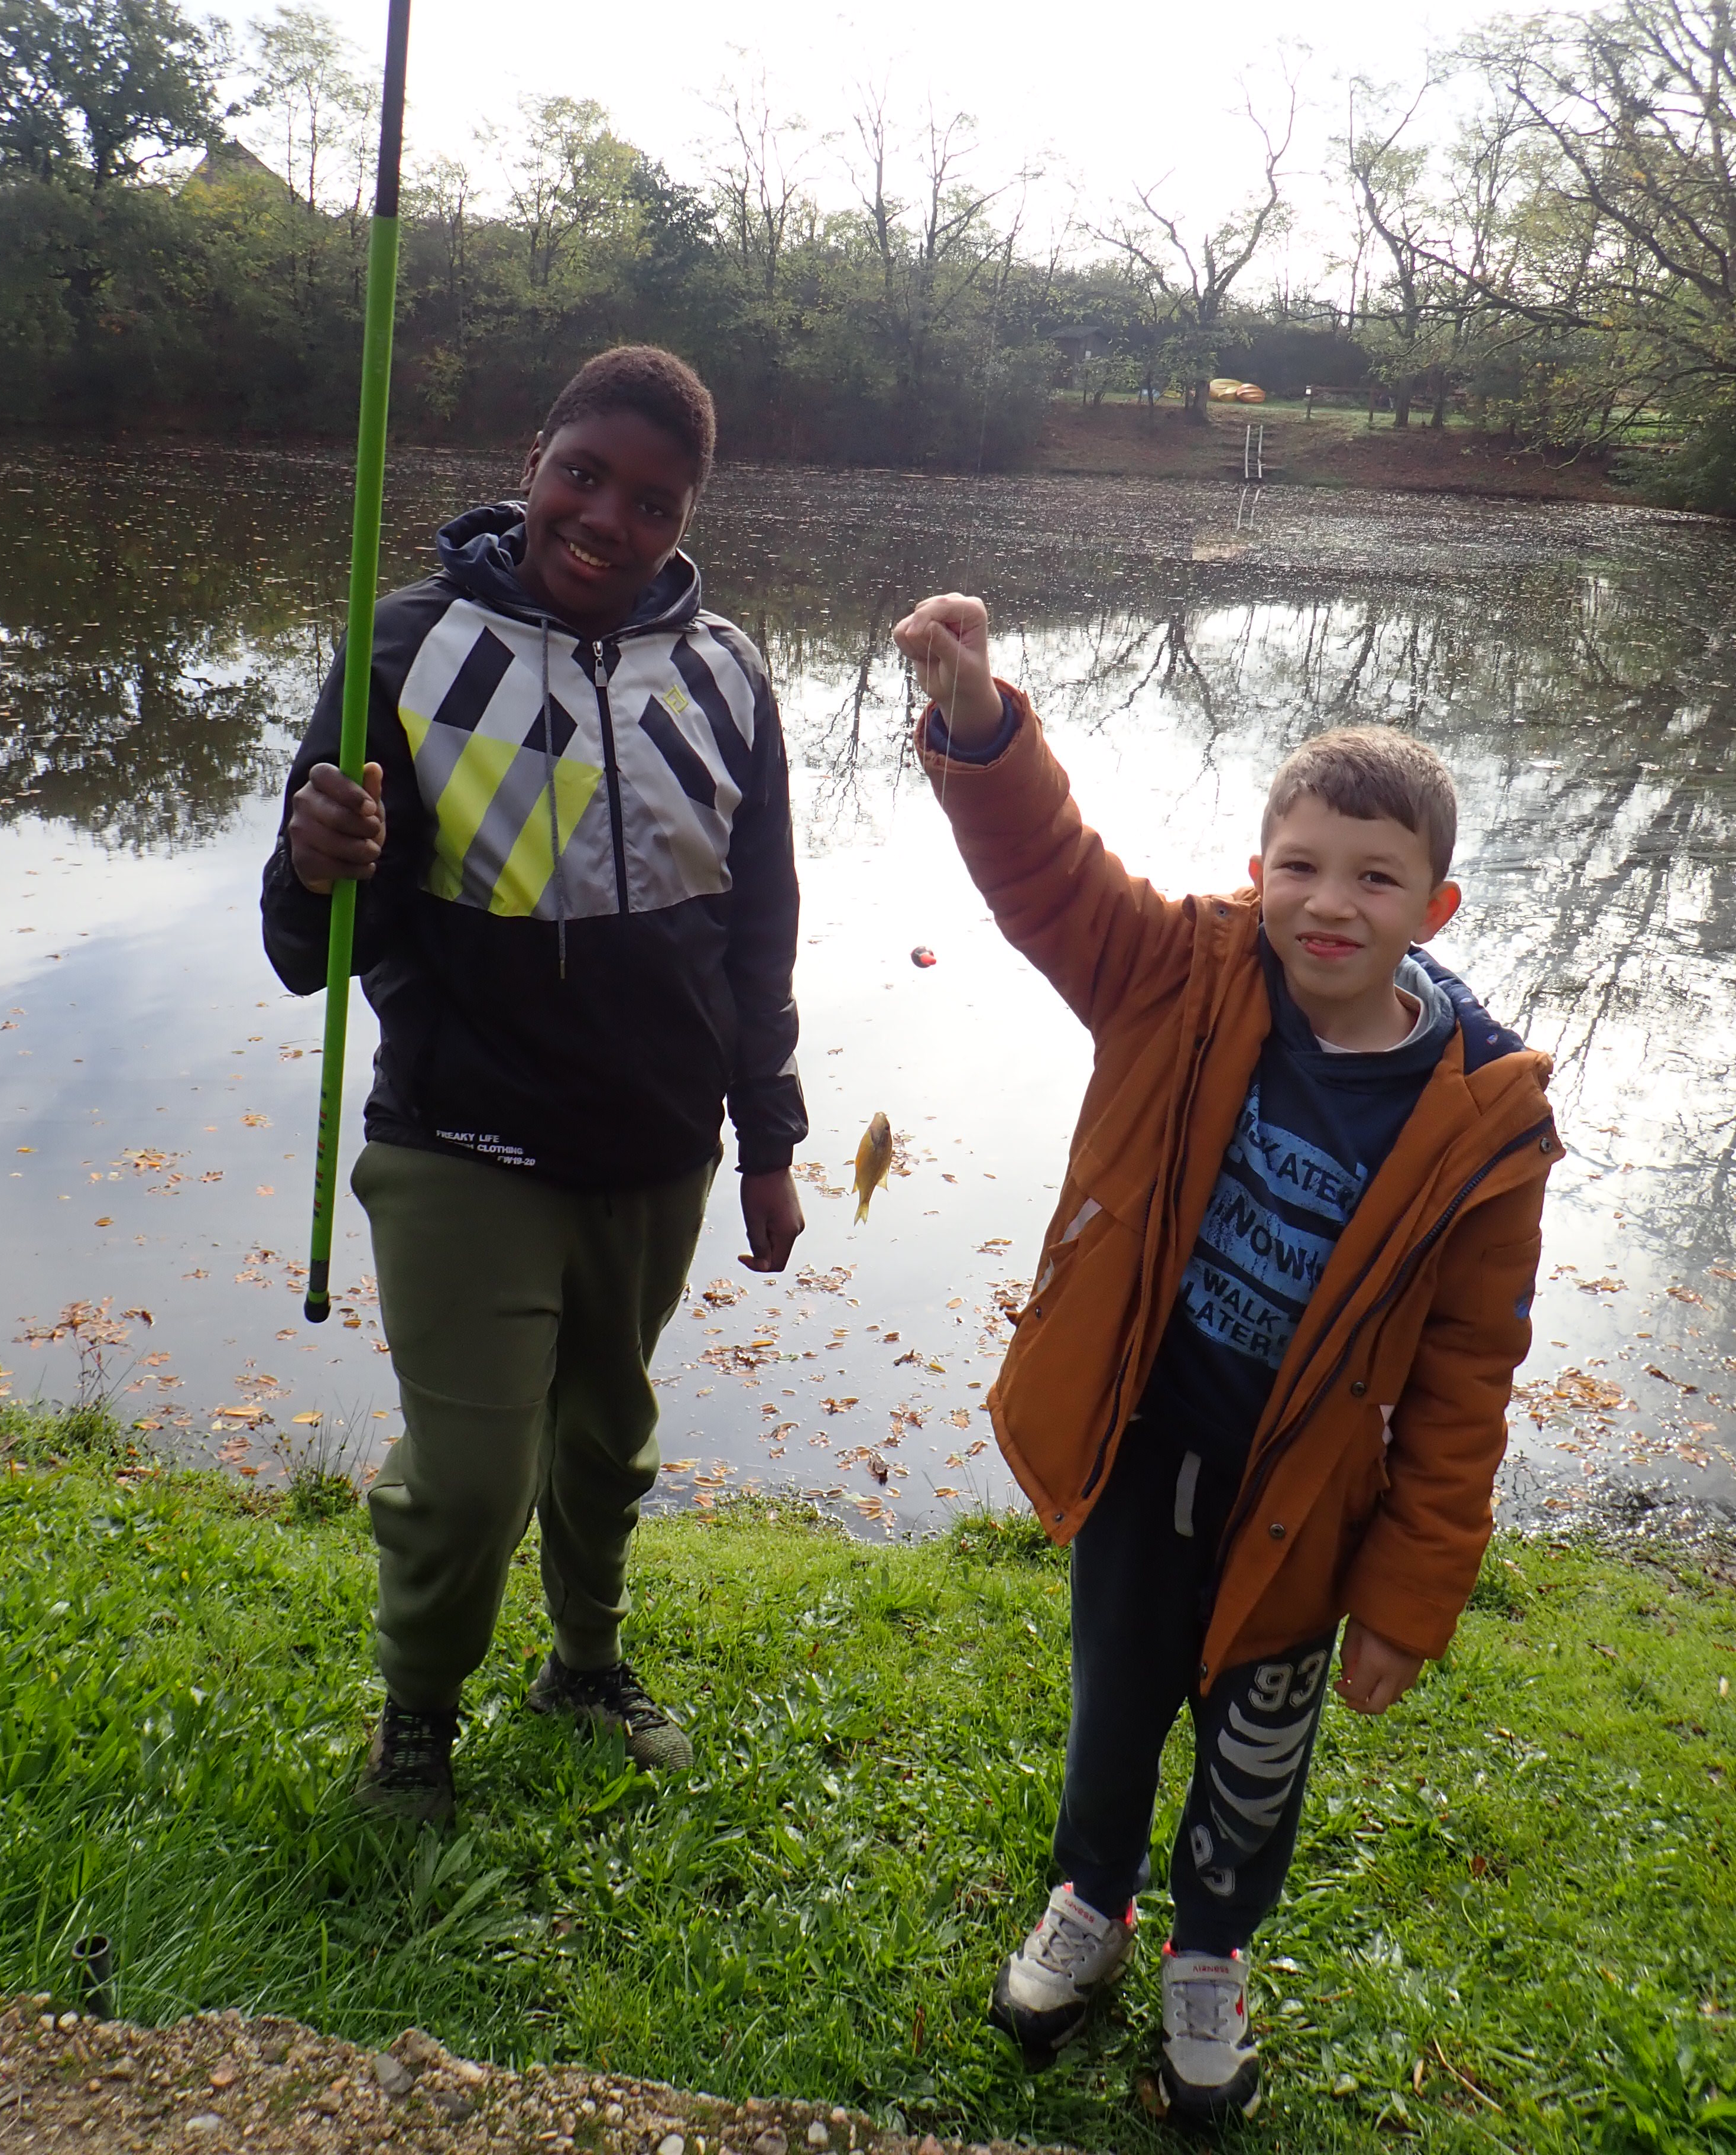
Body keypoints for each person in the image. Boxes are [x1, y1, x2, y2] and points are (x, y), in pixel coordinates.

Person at [891, 593, 1559, 2122]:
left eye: (1377, 879)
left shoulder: (1483, 1127)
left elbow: (1470, 1378)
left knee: (1257, 1754)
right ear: (1261, 876)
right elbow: (1050, 882)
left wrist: (1408, 1591)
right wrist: (983, 728)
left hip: (1302, 1511)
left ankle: (1211, 1952)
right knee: (1113, 1704)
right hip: (1143, 1449)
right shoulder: (1178, 978)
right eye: (1303, 869)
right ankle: (1088, 1904)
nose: (1332, 904)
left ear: (1435, 913)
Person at [261, 346, 807, 1823]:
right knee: (472, 1471)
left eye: (651, 499)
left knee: (605, 1438)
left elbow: (760, 935)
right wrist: (316, 863)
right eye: (585, 475)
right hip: (459, 1136)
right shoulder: (403, 650)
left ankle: (585, 1664)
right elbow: (301, 950)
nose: (606, 517)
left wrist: (769, 1140)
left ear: (684, 516)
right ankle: (419, 1718)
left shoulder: (730, 672)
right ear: (533, 456)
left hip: (657, 1146)